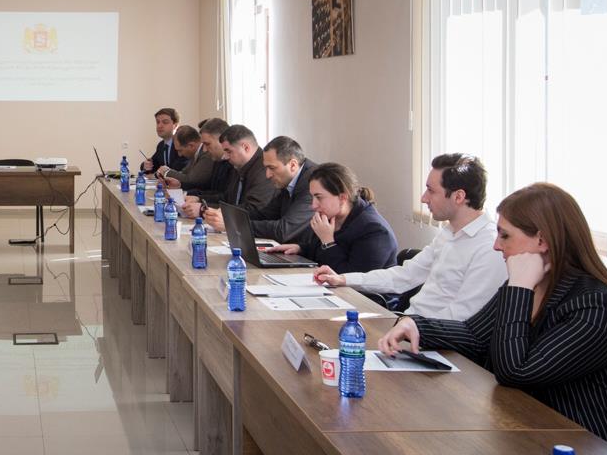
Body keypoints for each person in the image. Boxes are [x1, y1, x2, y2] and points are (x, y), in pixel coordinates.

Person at [378, 182, 607, 455]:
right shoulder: (533, 284)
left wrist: (519, 287)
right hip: (532, 432)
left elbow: (516, 372)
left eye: (505, 235)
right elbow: (475, 335)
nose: (496, 245)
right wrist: (417, 325)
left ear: (542, 241)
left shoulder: (598, 307)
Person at [313, 153, 505, 320]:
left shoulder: (489, 246)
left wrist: (409, 327)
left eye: (431, 191)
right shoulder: (449, 233)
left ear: (458, 197)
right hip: (411, 324)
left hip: (432, 338)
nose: (423, 198)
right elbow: (404, 276)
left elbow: (463, 316)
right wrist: (343, 279)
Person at [265, 162, 397, 273]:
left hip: (363, 295)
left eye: (319, 197)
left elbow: (352, 278)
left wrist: (328, 242)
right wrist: (300, 249)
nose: (313, 205)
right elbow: (319, 252)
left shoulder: (374, 230)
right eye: (312, 197)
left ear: (342, 198)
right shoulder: (331, 215)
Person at [205, 135, 317, 242]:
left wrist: (233, 224)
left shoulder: (312, 182)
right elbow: (265, 214)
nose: (267, 175)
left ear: (292, 165)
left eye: (272, 168)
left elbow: (284, 230)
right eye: (266, 168)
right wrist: (228, 215)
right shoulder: (288, 179)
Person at [179, 123, 276, 219]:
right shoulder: (239, 165)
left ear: (246, 147)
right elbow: (227, 198)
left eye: (229, 151)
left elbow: (253, 210)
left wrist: (203, 209)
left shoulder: (264, 168)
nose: (225, 156)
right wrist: (199, 199)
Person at [155, 125, 211, 190]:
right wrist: (167, 173)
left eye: (180, 150)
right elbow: (184, 172)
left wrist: (166, 172)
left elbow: (190, 180)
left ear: (191, 145)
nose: (180, 155)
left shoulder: (206, 154)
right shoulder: (195, 154)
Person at [141, 108, 187, 174]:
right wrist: (145, 165)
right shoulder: (161, 145)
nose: (159, 126)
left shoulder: (182, 143)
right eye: (158, 122)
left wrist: (157, 174)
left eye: (165, 122)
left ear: (175, 125)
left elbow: (178, 168)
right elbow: (153, 165)